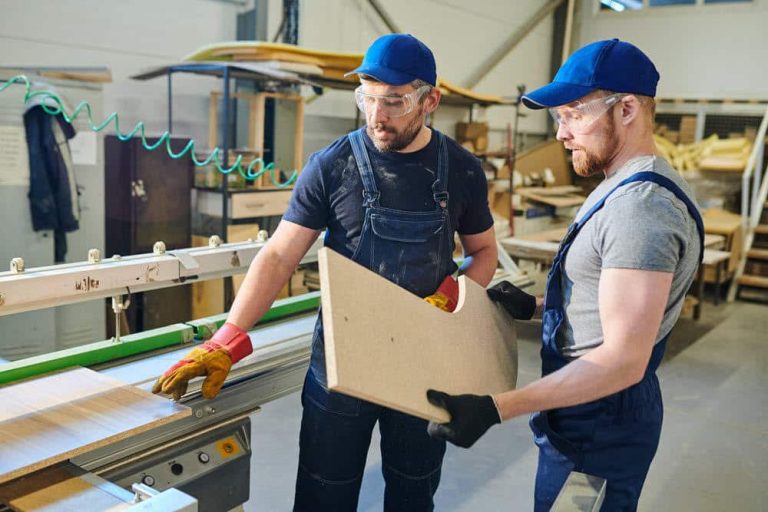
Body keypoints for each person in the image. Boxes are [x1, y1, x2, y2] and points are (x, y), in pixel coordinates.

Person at [153, 33, 498, 511]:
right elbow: (278, 256)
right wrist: (228, 338)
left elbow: (484, 253)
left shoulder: (460, 170)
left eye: (394, 102)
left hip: (423, 361)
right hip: (341, 364)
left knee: (413, 493)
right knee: (323, 496)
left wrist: (451, 294)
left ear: (430, 101)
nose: (377, 116)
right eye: (367, 99)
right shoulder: (333, 165)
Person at [426, 38, 704, 511]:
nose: (561, 133)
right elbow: (611, 307)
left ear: (628, 109)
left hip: (600, 420)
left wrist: (497, 407)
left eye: (574, 114)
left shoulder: (642, 210)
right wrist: (538, 307)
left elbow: (621, 360)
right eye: (559, 118)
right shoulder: (621, 186)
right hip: (583, 409)